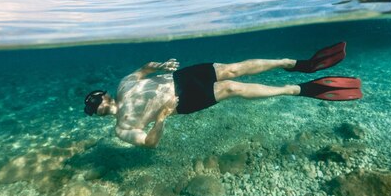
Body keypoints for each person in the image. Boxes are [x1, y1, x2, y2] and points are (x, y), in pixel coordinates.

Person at [84, 42, 361, 148]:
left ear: (105, 95)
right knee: (233, 88)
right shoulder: (123, 129)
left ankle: (295, 63)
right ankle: (298, 89)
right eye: (94, 105)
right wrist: (162, 118)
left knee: (233, 69)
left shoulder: (124, 84)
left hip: (181, 76)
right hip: (181, 102)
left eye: (98, 97)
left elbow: (142, 70)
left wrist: (157, 66)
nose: (99, 102)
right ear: (97, 113)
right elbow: (148, 143)